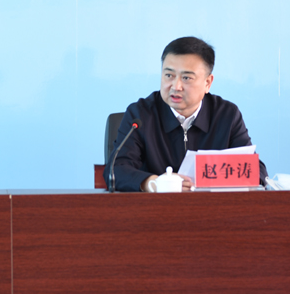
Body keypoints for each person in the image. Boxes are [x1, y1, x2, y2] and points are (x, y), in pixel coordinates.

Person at [104, 36, 267, 192]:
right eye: (169, 75)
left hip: (212, 207)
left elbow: (256, 171)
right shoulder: (140, 115)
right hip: (155, 208)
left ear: (207, 83)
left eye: (186, 78)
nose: (176, 86)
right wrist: (155, 183)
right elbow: (116, 170)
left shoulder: (226, 115)